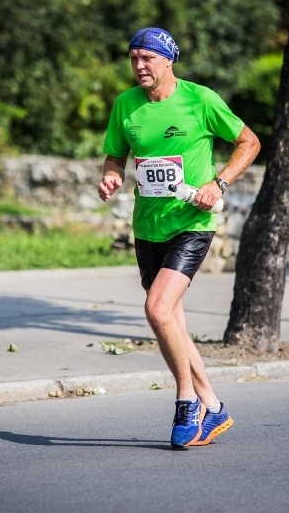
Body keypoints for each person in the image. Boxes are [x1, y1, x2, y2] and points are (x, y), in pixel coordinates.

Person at [98, 27, 260, 449]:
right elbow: (116, 153)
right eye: (133, 58)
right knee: (171, 319)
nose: (139, 66)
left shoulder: (200, 100)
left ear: (168, 59)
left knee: (156, 309)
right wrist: (111, 173)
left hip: (192, 223)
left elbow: (249, 141)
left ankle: (186, 401)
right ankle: (214, 404)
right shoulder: (126, 105)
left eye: (147, 58)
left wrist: (219, 183)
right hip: (147, 226)